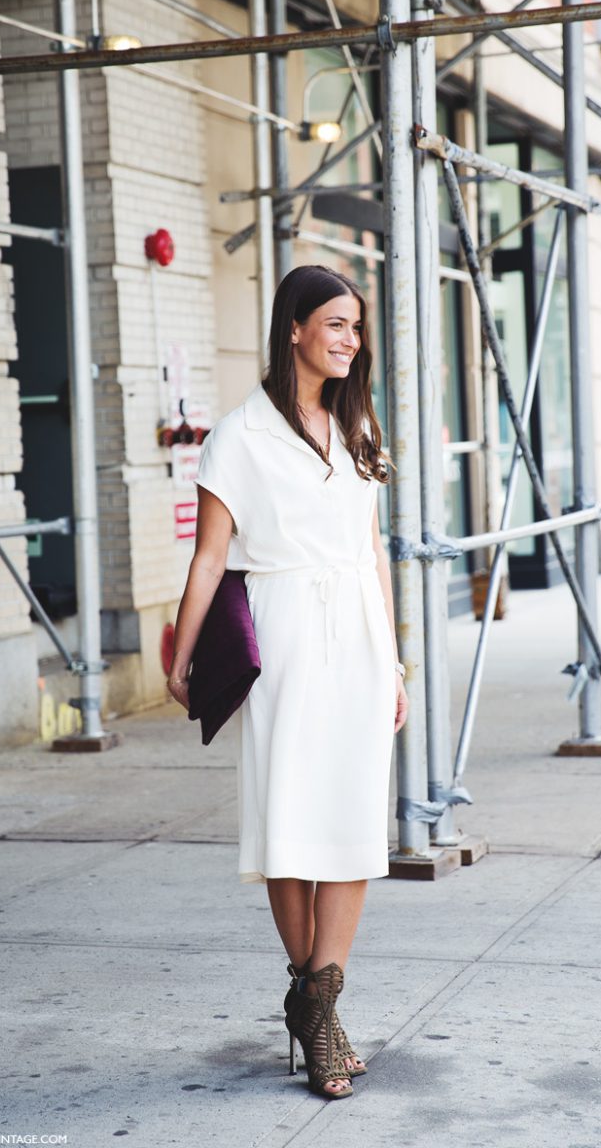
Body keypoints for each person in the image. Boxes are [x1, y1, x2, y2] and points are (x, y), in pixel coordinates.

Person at [167, 264, 408, 1101]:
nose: (351, 340)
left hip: (359, 643)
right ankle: (320, 1012)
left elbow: (373, 552)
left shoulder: (356, 423)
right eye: (336, 325)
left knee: (348, 829)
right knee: (289, 826)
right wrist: (181, 654)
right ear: (295, 329)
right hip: (286, 638)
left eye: (356, 327)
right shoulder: (238, 436)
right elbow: (208, 559)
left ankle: (318, 1005)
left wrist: (396, 660)